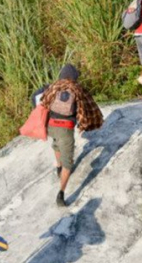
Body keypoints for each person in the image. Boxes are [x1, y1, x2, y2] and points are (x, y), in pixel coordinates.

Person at [37, 64, 103, 206]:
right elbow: (89, 108)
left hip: (51, 126)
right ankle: (61, 194)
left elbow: (42, 102)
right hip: (65, 129)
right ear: (74, 77)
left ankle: (58, 168)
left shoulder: (54, 86)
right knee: (69, 164)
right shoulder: (77, 89)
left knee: (56, 144)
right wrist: (87, 123)